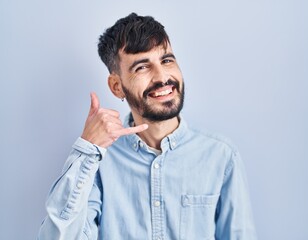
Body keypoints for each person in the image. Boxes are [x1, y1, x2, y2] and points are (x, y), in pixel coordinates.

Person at [37, 13, 257, 240]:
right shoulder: (99, 162)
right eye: (142, 67)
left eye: (167, 60)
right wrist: (87, 150)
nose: (162, 77)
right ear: (116, 87)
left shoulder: (221, 156)